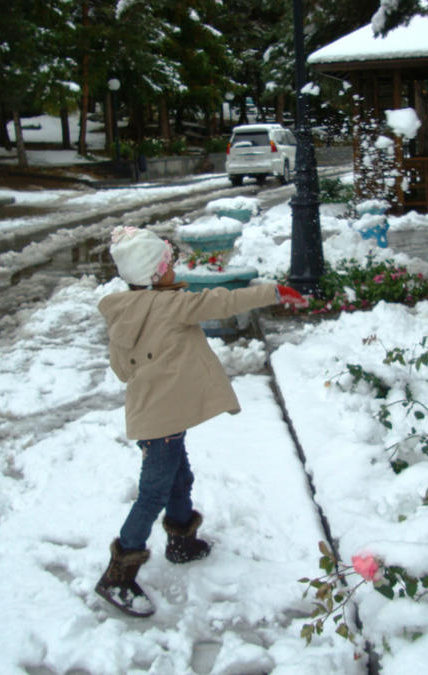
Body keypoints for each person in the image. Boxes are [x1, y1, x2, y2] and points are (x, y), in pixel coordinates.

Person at [95, 226, 307, 618]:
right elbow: (221, 301)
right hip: (160, 421)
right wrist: (273, 291)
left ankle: (181, 542)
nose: (175, 270)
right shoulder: (171, 306)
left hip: (153, 415)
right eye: (169, 265)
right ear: (156, 275)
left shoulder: (126, 309)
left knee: (179, 478)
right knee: (152, 493)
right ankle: (118, 574)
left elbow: (122, 369)